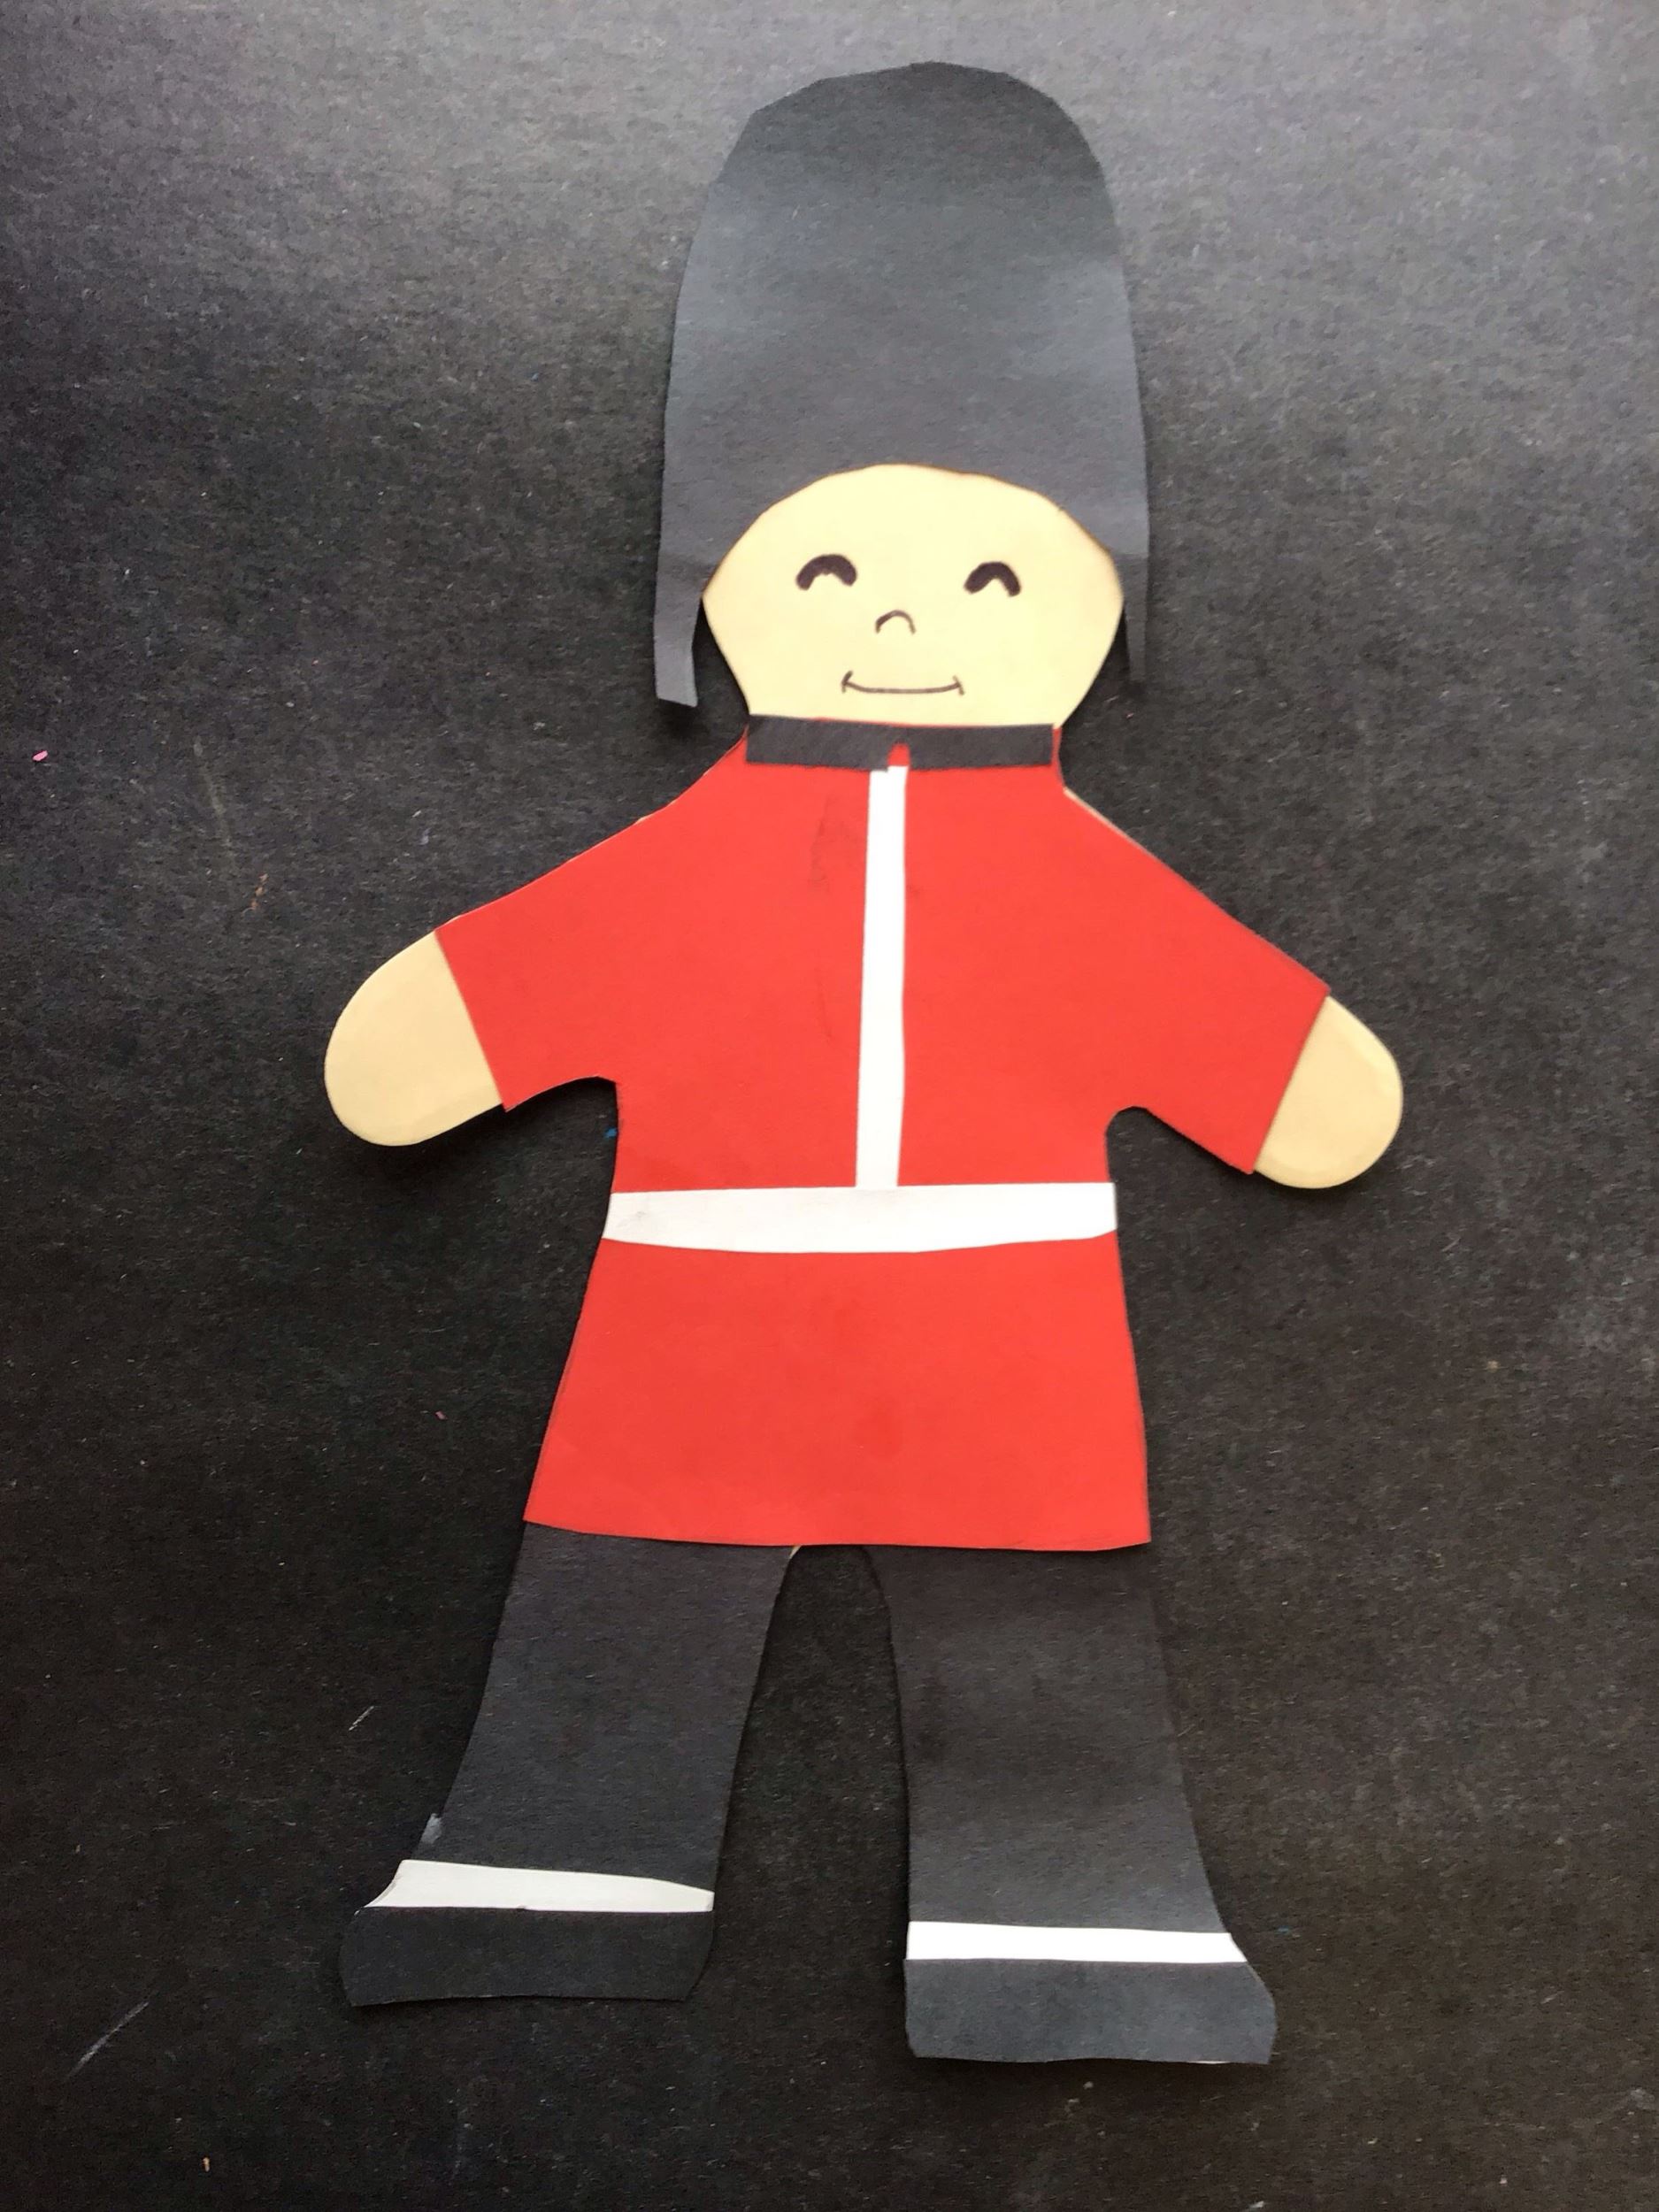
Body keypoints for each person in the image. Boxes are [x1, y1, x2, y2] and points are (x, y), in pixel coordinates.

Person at [325, 65, 1401, 2062]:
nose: (905, 610)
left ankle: (1077, 1926)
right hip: (696, 1327)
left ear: (1090, 599)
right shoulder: (694, 860)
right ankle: (551, 1873)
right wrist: (443, 1023)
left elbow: (1286, 1076)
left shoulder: (1079, 882)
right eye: (826, 574)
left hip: (1003, 1344)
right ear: (721, 596)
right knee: (621, 1608)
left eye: (993, 579)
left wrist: (1295, 1068)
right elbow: (475, 1014)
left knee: (1039, 1638)